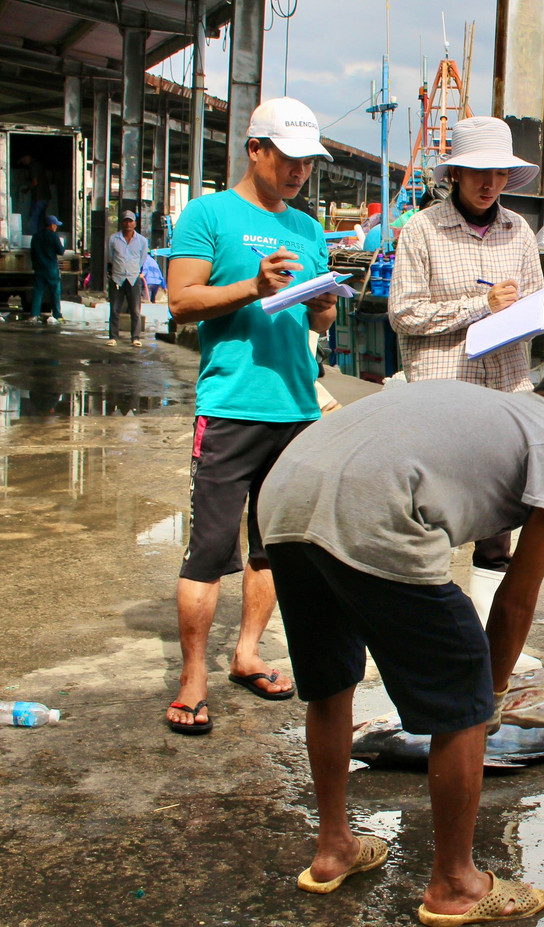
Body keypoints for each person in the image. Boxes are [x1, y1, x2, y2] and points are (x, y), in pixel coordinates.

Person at [256, 358, 544, 922]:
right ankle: (456, 885)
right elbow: (516, 597)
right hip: (375, 511)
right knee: (463, 700)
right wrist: (491, 695)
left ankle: (334, 849)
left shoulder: (483, 403)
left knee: (330, 683)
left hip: (283, 495)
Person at [163, 96, 338, 735]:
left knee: (274, 550)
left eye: (308, 162)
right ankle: (191, 679)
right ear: (255, 149)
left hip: (296, 409)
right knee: (209, 549)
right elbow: (181, 303)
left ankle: (247, 653)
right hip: (231, 406)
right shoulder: (207, 214)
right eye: (289, 158)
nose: (299, 172)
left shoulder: (310, 230)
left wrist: (323, 307)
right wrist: (253, 288)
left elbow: (317, 316)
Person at [388, 115, 544, 639]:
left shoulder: (519, 231)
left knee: (500, 524)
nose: (489, 184)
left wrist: (528, 313)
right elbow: (404, 314)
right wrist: (481, 305)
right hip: (443, 401)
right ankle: (424, 635)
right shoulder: (422, 229)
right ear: (454, 173)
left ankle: (488, 638)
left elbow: (537, 306)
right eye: (478, 172)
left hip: (504, 396)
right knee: (431, 518)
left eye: (499, 173)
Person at [107, 209, 149, 347]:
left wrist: (133, 270)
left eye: (130, 221)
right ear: (122, 223)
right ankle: (113, 337)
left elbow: (142, 259)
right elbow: (111, 257)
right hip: (117, 278)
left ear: (135, 224)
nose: (128, 224)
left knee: (135, 310)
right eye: (125, 221)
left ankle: (135, 337)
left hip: (133, 278)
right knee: (114, 309)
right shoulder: (114, 239)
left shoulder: (142, 241)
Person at [28, 215, 64, 323]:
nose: (56, 227)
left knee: (38, 292)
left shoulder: (36, 236)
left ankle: (34, 315)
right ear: (52, 225)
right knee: (55, 292)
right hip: (51, 268)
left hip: (39, 268)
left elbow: (32, 252)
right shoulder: (54, 236)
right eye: (56, 225)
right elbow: (60, 251)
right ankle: (57, 315)